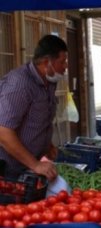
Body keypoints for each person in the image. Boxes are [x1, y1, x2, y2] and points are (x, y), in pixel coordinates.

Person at [0, 35, 68, 181]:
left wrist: (46, 144)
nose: (65, 66)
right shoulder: (19, 85)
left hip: (29, 167)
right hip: (9, 170)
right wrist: (35, 165)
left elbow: (37, 117)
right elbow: (3, 131)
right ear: (46, 62)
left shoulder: (49, 81)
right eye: (62, 62)